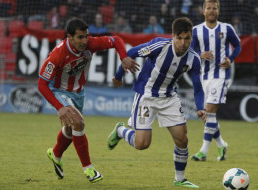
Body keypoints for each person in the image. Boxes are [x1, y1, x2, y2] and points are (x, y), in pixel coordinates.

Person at [108, 17, 206, 188]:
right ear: (173, 36)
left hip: (168, 98)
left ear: (191, 38)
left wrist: (200, 108)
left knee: (182, 139)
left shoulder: (193, 59)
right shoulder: (160, 46)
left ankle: (180, 179)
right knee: (142, 144)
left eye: (187, 38)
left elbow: (198, 87)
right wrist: (118, 76)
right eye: (179, 38)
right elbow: (131, 53)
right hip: (146, 96)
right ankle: (121, 131)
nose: (183, 43)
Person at [38, 18, 139, 182]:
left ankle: (55, 154)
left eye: (86, 36)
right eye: (80, 37)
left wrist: (123, 57)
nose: (84, 41)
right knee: (79, 123)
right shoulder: (58, 54)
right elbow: (42, 84)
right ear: (69, 37)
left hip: (79, 93)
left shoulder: (90, 44)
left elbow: (116, 40)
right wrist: (59, 107)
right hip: (60, 92)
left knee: (71, 130)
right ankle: (89, 169)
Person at [190, 0, 241, 161]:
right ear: (203, 11)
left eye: (215, 8)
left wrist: (230, 59)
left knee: (210, 111)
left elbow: (237, 46)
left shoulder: (226, 28)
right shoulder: (196, 31)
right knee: (207, 116)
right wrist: (200, 54)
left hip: (220, 75)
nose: (212, 11)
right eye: (209, 8)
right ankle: (221, 144)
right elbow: (189, 51)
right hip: (203, 77)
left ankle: (203, 152)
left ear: (218, 11)